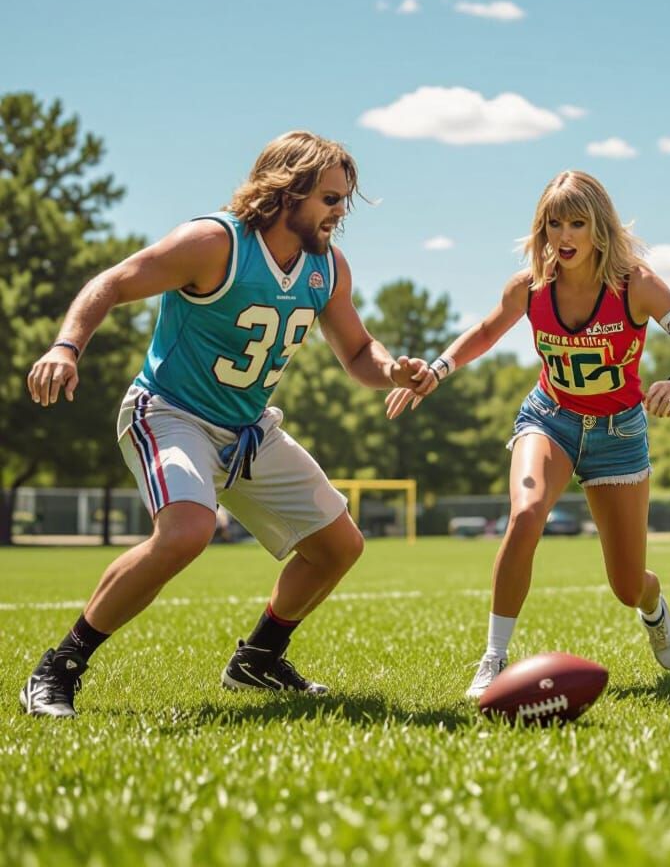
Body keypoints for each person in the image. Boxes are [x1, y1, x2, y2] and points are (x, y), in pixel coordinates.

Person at [21, 131, 427, 717]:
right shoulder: (214, 243)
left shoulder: (327, 267)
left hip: (247, 429)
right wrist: (66, 347)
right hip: (171, 412)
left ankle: (257, 660)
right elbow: (111, 282)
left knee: (339, 547)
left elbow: (359, 352)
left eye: (343, 199)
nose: (341, 212)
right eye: (330, 198)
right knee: (187, 532)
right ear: (287, 191)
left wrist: (393, 371)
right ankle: (59, 667)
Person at [387, 170, 670, 698]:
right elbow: (486, 331)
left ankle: (652, 603)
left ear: (599, 227)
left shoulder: (636, 284)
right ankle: (493, 658)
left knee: (627, 585)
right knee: (526, 514)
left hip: (619, 435)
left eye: (577, 223)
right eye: (554, 223)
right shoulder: (529, 287)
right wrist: (439, 368)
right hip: (550, 419)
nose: (564, 236)